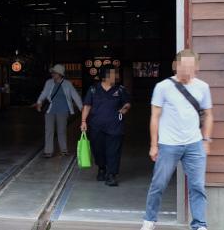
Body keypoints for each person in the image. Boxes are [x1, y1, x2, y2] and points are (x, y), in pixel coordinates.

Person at [142, 49, 213, 230]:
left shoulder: (202, 87)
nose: (187, 70)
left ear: (197, 67)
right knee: (158, 184)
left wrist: (206, 140)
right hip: (168, 144)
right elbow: (155, 116)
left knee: (197, 186)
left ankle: (199, 224)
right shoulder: (162, 87)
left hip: (194, 144)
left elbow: (208, 114)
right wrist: (153, 145)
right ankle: (149, 220)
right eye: (183, 66)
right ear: (176, 65)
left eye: (191, 67)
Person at [81, 67, 131, 186]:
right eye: (113, 74)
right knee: (98, 149)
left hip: (115, 126)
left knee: (113, 151)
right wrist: (83, 121)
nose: (116, 76)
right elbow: (87, 106)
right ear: (104, 77)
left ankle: (112, 175)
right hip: (96, 126)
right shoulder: (93, 89)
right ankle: (102, 168)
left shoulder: (120, 89)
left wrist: (124, 110)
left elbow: (127, 103)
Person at [33, 64, 84, 157]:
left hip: (63, 110)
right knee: (49, 130)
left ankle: (64, 150)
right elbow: (44, 93)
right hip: (50, 110)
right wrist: (39, 101)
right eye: (52, 72)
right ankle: (48, 151)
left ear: (60, 74)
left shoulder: (67, 84)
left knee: (61, 130)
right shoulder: (49, 82)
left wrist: (81, 107)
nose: (52, 74)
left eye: (54, 73)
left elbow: (75, 95)